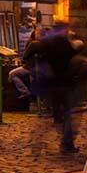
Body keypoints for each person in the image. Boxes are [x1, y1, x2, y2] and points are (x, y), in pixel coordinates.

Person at [31, 21, 80, 154]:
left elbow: (39, 57)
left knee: (54, 114)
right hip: (65, 84)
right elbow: (73, 59)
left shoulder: (47, 43)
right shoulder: (65, 43)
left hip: (51, 84)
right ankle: (67, 143)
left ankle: (37, 143)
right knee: (68, 114)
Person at [8, 29, 40, 100]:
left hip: (30, 68)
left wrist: (23, 61)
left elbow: (25, 56)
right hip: (43, 68)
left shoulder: (33, 43)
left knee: (12, 74)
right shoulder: (46, 43)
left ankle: (25, 92)